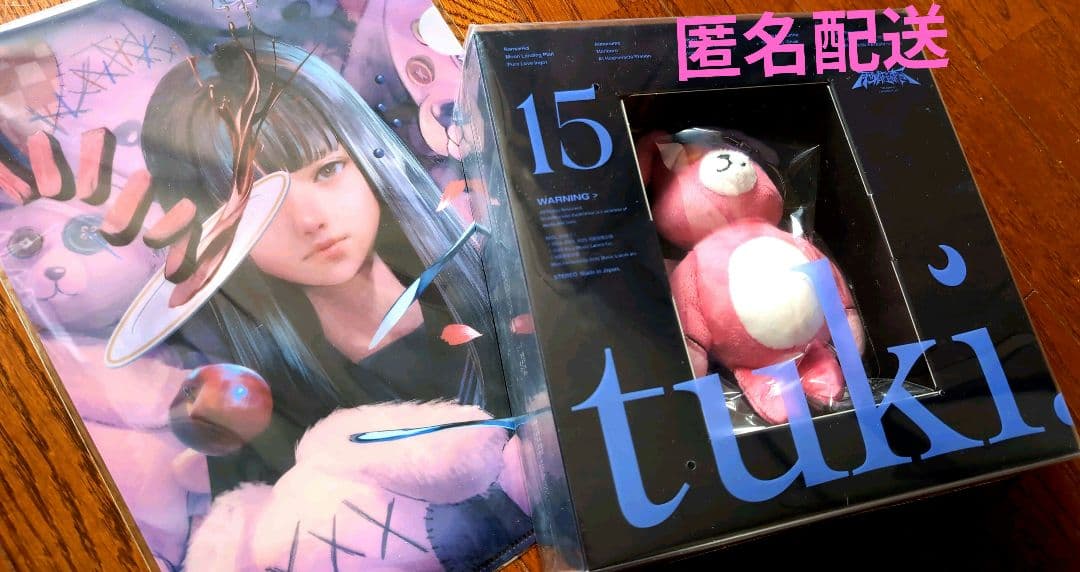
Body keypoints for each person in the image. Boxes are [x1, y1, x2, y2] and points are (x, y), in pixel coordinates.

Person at [139, 41, 506, 495]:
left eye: (328, 171)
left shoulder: (501, 295)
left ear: (369, 158)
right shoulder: (252, 416)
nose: (310, 220)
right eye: (260, 204)